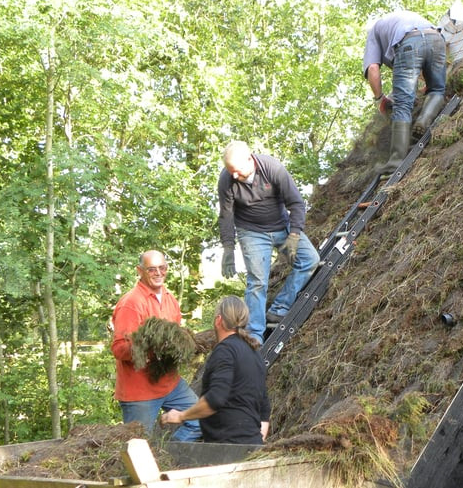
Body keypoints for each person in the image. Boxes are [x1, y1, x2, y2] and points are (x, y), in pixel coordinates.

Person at [218, 140, 319, 345]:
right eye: (231, 172)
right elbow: (226, 216)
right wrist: (228, 248)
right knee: (257, 282)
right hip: (251, 232)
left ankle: (280, 307)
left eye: (237, 171)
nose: (235, 176)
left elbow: (297, 203)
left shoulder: (272, 168)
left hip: (282, 226)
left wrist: (294, 235)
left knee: (310, 260)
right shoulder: (227, 180)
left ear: (250, 159)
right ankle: (255, 334)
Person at [110, 250, 201, 441]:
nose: (158, 273)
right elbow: (119, 349)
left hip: (170, 383)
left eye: (162, 268)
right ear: (140, 271)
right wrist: (149, 347)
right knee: (139, 446)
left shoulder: (170, 299)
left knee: (200, 420)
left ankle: (168, 456)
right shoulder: (131, 303)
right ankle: (148, 464)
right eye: (152, 269)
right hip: (139, 390)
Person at [160, 295, 271, 444]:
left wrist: (181, 416)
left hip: (225, 445)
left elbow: (215, 399)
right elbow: (264, 408)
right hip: (252, 445)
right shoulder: (255, 352)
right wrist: (255, 443)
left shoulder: (225, 351)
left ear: (218, 320)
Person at [363, 10, 447, 175]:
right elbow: (424, 50)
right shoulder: (399, 20)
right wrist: (424, 82)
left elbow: (373, 68)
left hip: (409, 42)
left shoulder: (373, 32)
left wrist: (380, 99)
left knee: (402, 104)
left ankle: (395, 161)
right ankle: (423, 121)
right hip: (436, 38)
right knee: (437, 89)